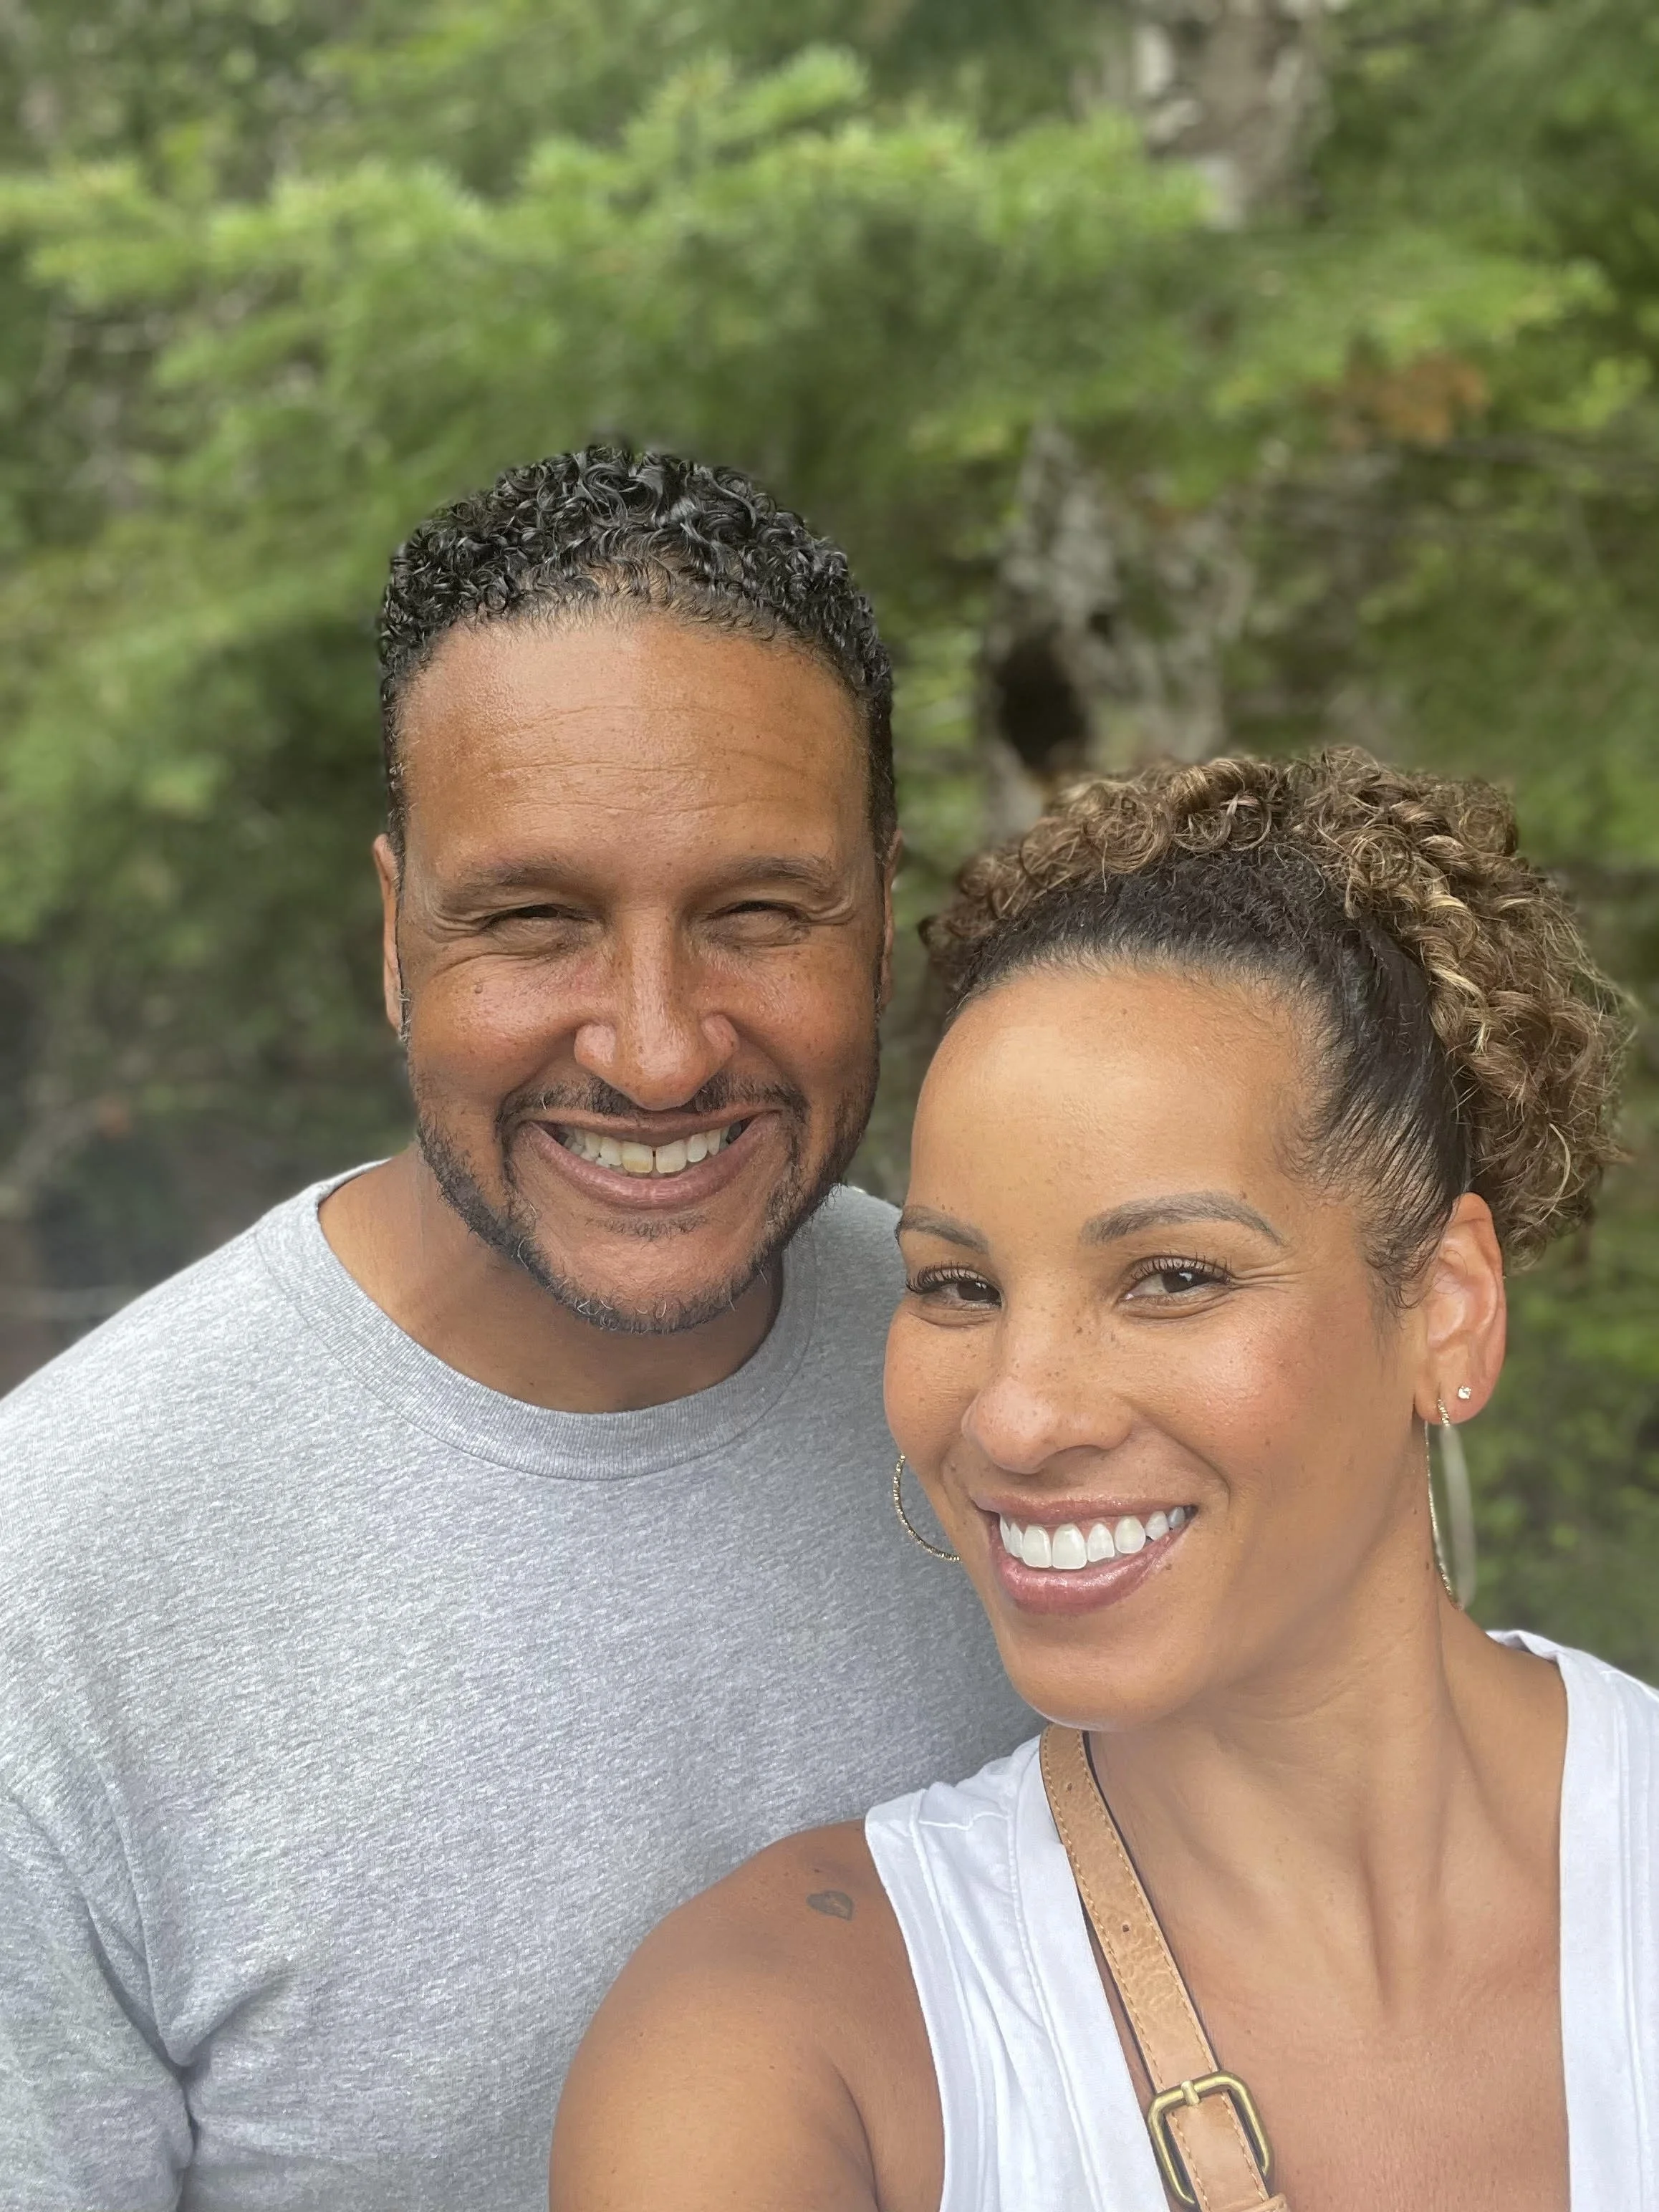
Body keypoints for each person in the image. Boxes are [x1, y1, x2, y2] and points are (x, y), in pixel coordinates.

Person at [0, 449, 1029, 2211]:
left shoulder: (1038, 1396)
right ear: (397, 933)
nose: (653, 1047)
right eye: (535, 920)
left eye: (758, 913)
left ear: (883, 913)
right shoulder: (61, 1573)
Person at [552, 749, 1659, 2212]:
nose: (1016, 1415)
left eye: (1173, 1276)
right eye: (957, 1284)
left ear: (1446, 1307)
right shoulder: (789, 2043)